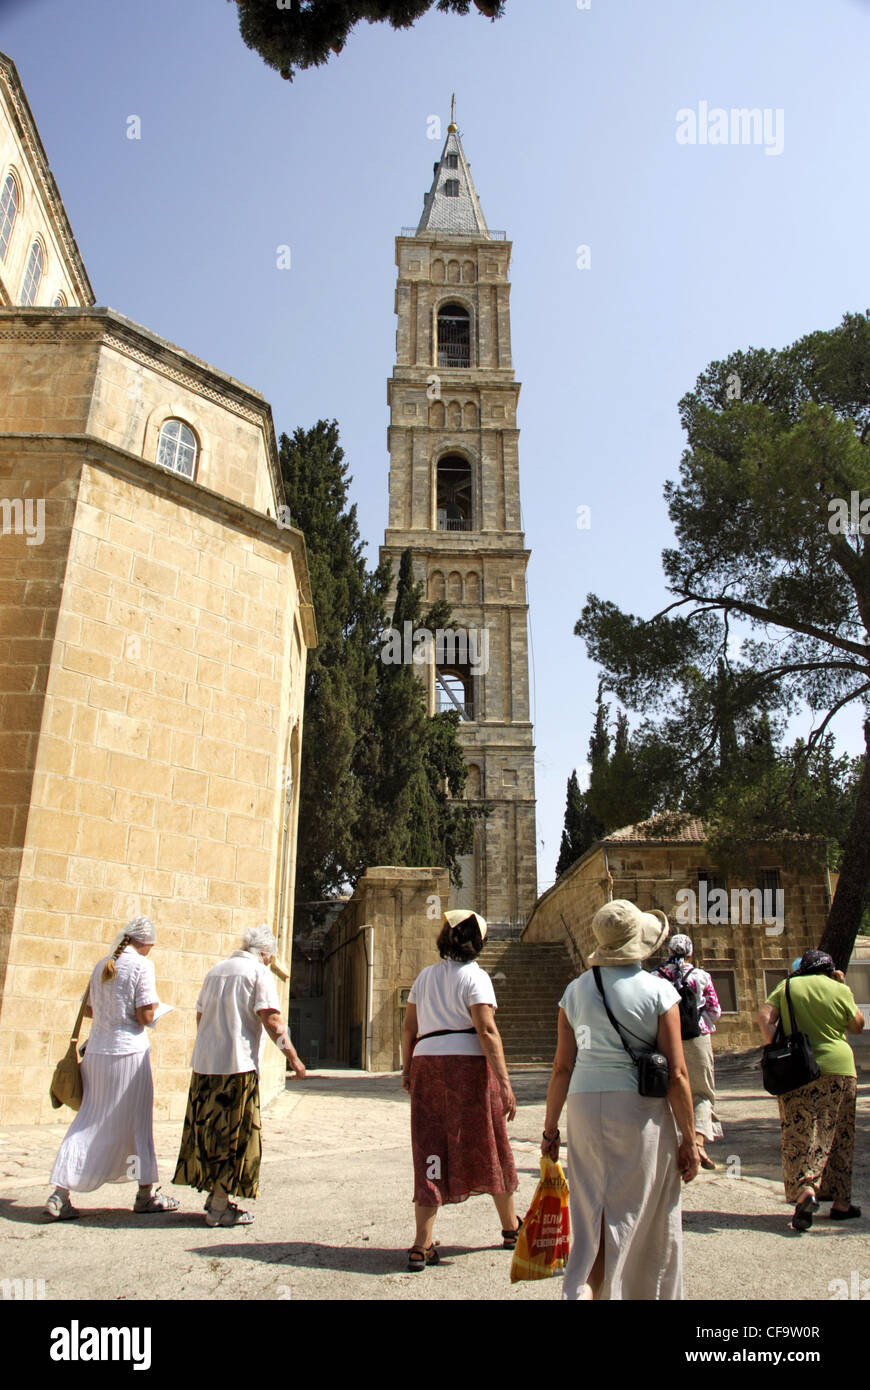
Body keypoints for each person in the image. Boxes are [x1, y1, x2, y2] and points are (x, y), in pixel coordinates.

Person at [542, 900, 699, 1300]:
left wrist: (549, 1130)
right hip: (637, 1108)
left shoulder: (574, 991)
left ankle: (584, 1290)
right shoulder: (660, 991)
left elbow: (561, 1067)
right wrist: (689, 1138)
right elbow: (678, 1074)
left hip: (582, 1103)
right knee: (646, 1212)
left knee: (591, 1210)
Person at [401, 909, 519, 1271]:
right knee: (490, 1141)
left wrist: (408, 1069)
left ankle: (422, 1244)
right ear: (478, 942)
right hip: (467, 1066)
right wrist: (505, 1082)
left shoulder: (424, 976)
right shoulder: (476, 977)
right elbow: (486, 1031)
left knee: (430, 1147)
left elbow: (409, 1028)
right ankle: (510, 1228)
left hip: (427, 1063)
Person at [44, 915, 178, 1220]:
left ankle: (59, 1193)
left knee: (88, 1120)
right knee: (138, 1123)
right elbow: (145, 1015)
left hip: (97, 1052)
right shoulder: (142, 966)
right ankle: (145, 1193)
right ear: (145, 943)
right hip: (128, 1054)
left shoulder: (103, 964)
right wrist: (158, 1011)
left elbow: (89, 1009)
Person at [173, 923, 305, 1227]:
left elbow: (200, 1015)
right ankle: (220, 1206)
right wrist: (294, 1060)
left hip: (206, 1066)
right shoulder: (258, 973)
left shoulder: (216, 970)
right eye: (271, 958)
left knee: (207, 1131)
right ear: (265, 954)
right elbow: (273, 1021)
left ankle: (214, 1193)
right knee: (235, 1136)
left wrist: (212, 1043)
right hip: (238, 1066)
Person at [758, 948, 864, 1231]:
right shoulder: (837, 988)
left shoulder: (789, 984)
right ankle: (841, 1203)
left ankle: (806, 1191)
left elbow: (764, 1016)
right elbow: (857, 1026)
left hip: (799, 1069)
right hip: (839, 1068)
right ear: (829, 970)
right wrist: (844, 989)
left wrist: (777, 1045)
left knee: (800, 1132)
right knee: (840, 1133)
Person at [652, 933, 723, 1169]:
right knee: (702, 1093)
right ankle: (698, 1142)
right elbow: (714, 1010)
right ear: (691, 952)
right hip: (696, 1038)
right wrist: (699, 1024)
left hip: (665, 1039)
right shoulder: (701, 976)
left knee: (667, 1089)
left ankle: (677, 1147)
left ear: (669, 951)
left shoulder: (655, 977)